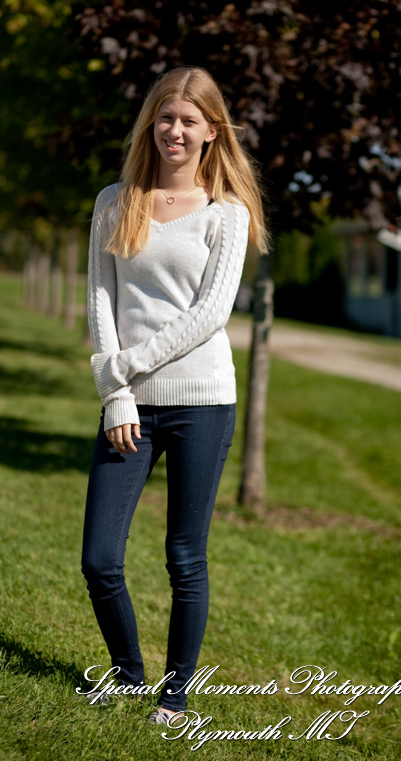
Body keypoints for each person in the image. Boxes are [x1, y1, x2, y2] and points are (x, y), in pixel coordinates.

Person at [81, 66, 268, 724]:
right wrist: (117, 392)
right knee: (99, 558)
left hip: (202, 401)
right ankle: (129, 675)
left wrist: (121, 369)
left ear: (212, 131)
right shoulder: (116, 200)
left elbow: (209, 314)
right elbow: (101, 298)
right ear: (150, 124)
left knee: (184, 556)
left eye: (189, 120)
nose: (175, 130)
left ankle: (175, 696)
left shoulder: (227, 215)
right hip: (127, 404)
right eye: (165, 117)